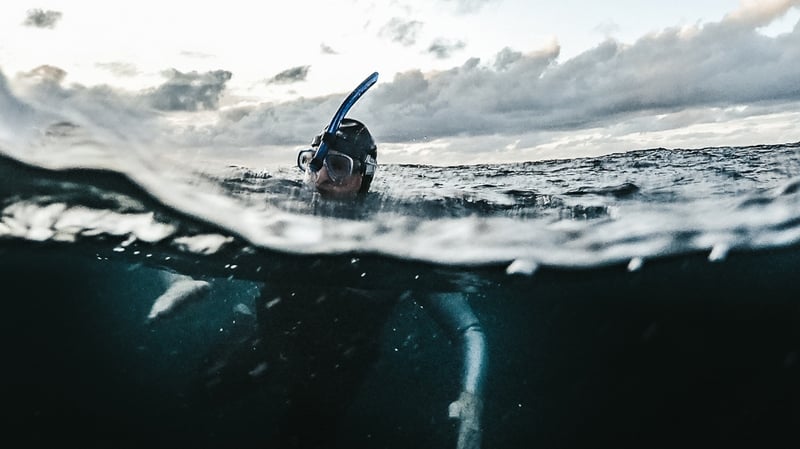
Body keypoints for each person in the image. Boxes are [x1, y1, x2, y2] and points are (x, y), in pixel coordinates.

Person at [268, 117, 487, 448]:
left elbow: (468, 330)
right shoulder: (280, 216)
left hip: (330, 378)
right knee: (204, 386)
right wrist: (178, 281)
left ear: (362, 177)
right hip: (266, 340)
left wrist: (472, 402)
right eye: (312, 163)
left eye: (337, 166)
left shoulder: (396, 242)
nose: (320, 177)